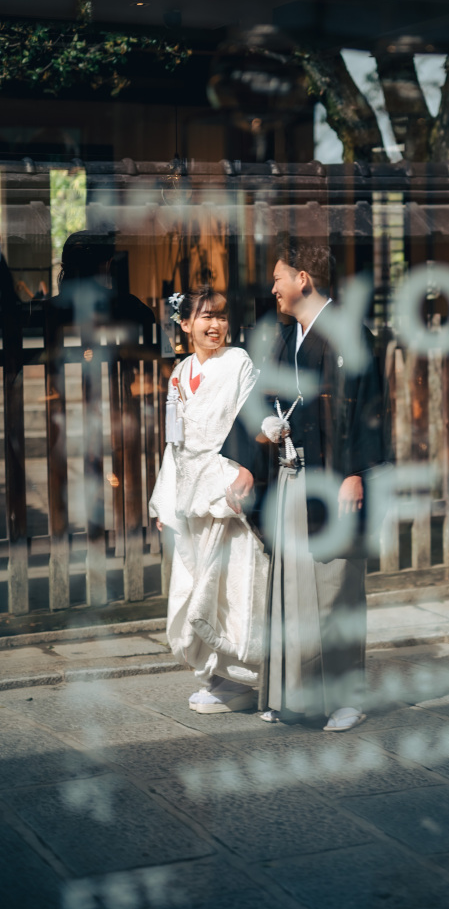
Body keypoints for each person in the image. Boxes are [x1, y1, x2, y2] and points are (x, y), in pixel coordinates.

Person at [222, 237, 383, 732]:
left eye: (278, 277)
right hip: (292, 476)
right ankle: (292, 694)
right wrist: (250, 459)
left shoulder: (349, 333)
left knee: (334, 587)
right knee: (292, 589)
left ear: (303, 280)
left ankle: (346, 697)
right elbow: (260, 399)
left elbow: (372, 412)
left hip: (334, 477)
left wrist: (356, 472)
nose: (272, 287)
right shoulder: (286, 336)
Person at [149, 286, 270, 713]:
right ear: (185, 325)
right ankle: (218, 677)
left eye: (221, 316)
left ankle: (244, 679)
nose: (216, 325)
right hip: (189, 489)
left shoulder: (238, 363)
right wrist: (165, 499)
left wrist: (247, 470)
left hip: (226, 484)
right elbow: (174, 443)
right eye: (206, 318)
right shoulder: (179, 373)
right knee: (195, 582)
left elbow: (253, 420)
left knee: (231, 586)